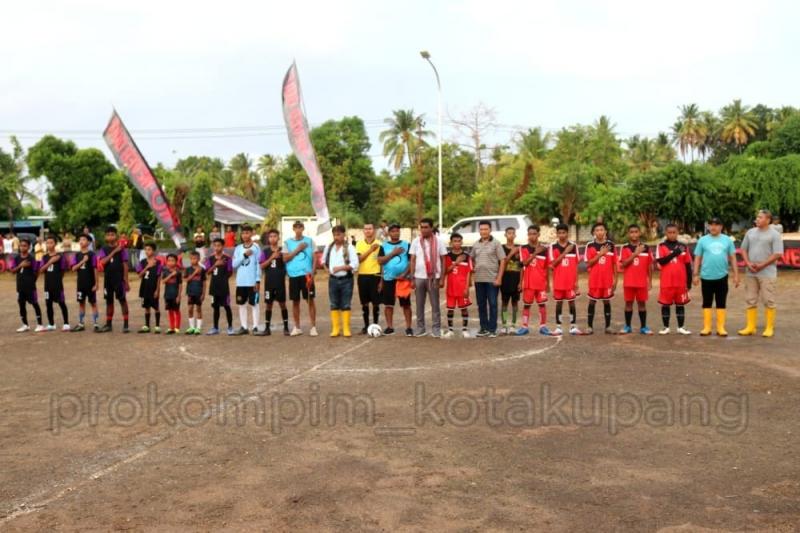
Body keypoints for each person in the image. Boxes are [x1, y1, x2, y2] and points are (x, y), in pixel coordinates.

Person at [739, 209, 784, 337]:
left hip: (767, 273)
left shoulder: (775, 234)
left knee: (768, 300)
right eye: (757, 217)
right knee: (750, 299)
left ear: (768, 220)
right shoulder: (750, 232)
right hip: (751, 272)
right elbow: (743, 249)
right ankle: (750, 327)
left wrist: (762, 265)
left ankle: (769, 328)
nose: (757, 219)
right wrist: (748, 263)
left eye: (760, 217)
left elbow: (778, 253)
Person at [692, 217, 739, 336]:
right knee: (706, 302)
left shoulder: (727, 240)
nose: (713, 227)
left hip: (722, 276)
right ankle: (707, 327)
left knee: (721, 302)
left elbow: (733, 258)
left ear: (721, 227)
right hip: (706, 276)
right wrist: (695, 274)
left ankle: (720, 327)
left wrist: (736, 275)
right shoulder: (702, 240)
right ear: (708, 226)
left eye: (716, 225)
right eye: (711, 224)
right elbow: (697, 257)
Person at [409, 218, 449, 337]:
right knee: (419, 304)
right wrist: (412, 278)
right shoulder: (416, 241)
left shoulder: (439, 241)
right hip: (419, 277)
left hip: (434, 277)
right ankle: (420, 328)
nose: (424, 230)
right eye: (422, 227)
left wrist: (442, 278)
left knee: (435, 304)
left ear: (431, 228)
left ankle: (436, 328)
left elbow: (443, 260)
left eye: (426, 227)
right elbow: (412, 260)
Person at [469, 221, 506, 338]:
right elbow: (471, 258)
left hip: (492, 279)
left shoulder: (496, 243)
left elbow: (503, 260)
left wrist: (499, 278)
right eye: (481, 229)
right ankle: (483, 328)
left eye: (486, 229)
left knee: (493, 304)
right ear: (479, 231)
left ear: (490, 230)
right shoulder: (476, 244)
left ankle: (492, 329)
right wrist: (474, 268)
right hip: (479, 279)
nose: (483, 231)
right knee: (481, 304)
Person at [517, 225, 555, 336]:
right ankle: (524, 326)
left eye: (534, 234)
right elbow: (524, 264)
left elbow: (546, 267)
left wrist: (548, 284)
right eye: (530, 234)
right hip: (529, 283)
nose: (532, 236)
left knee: (542, 304)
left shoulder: (545, 249)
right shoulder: (523, 248)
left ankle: (543, 326)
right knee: (527, 305)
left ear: (538, 234)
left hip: (541, 283)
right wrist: (535, 253)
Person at [322, 225, 360, 337]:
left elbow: (355, 264)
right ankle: (335, 328)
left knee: (346, 303)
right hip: (333, 280)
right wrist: (327, 270)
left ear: (344, 235)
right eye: (334, 235)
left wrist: (341, 268)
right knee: (333, 303)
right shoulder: (329, 247)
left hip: (346, 279)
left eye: (338, 234)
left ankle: (346, 328)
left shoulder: (350, 248)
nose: (336, 237)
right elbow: (323, 261)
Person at [656, 223, 693, 335]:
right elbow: (661, 261)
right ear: (666, 233)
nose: (672, 234)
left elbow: (688, 265)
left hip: (680, 283)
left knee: (680, 305)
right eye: (669, 232)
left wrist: (689, 282)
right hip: (666, 282)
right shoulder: (661, 246)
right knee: (665, 305)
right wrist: (675, 253)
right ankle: (666, 327)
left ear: (677, 233)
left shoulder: (683, 247)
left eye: (674, 232)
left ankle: (681, 327)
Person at [283, 221, 317, 336]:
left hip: (307, 275)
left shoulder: (310, 241)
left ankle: (313, 327)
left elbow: (315, 257)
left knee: (310, 300)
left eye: (300, 227)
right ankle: (297, 327)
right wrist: (298, 249)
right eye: (296, 227)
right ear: (293, 229)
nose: (298, 229)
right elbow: (285, 259)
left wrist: (313, 272)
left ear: (303, 228)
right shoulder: (287, 242)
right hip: (293, 276)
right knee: (295, 301)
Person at [378, 223, 413, 336]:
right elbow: (380, 261)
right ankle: (390, 327)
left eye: (397, 231)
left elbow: (411, 261)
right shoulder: (384, 246)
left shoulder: (406, 245)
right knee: (388, 304)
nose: (395, 233)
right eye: (393, 231)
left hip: (403, 280)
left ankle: (408, 327)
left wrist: (404, 274)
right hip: (389, 279)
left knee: (406, 304)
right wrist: (393, 253)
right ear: (389, 233)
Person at [618, 224, 654, 335]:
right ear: (628, 234)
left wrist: (650, 281)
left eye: (636, 232)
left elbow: (649, 266)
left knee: (642, 304)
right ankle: (627, 326)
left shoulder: (646, 248)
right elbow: (623, 264)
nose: (634, 234)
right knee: (628, 304)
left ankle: (643, 327)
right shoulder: (625, 248)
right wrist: (635, 254)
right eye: (631, 232)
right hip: (629, 282)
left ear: (639, 233)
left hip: (642, 282)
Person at [583, 222, 618, 335]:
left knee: (606, 301)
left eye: (601, 230)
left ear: (605, 231)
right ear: (594, 232)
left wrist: (616, 280)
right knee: (592, 301)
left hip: (607, 280)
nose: (599, 232)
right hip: (595, 280)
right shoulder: (590, 245)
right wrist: (601, 254)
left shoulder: (611, 245)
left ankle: (608, 327)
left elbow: (614, 264)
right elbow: (588, 264)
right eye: (597, 230)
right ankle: (589, 327)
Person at [96, 226, 130, 333]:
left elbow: (125, 265)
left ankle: (126, 325)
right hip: (108, 280)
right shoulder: (103, 249)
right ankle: (108, 324)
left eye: (112, 234)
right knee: (109, 301)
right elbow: (103, 262)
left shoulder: (122, 249)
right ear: (105, 237)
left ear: (116, 236)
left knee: (122, 300)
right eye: (108, 235)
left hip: (119, 279)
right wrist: (115, 251)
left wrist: (126, 280)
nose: (110, 236)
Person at [549, 223, 581, 335]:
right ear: (557, 234)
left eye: (564, 232)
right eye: (559, 233)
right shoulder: (552, 246)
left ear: (568, 233)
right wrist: (565, 252)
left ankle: (573, 326)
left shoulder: (574, 246)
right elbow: (553, 264)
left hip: (570, 282)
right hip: (558, 281)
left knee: (572, 303)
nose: (562, 235)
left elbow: (576, 266)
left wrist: (576, 282)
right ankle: (558, 327)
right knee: (559, 304)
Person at [259, 229, 290, 336]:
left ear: (278, 238)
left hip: (280, 282)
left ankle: (286, 328)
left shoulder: (283, 251)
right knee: (269, 304)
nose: (273, 238)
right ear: (268, 238)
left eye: (275, 236)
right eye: (271, 236)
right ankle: (267, 328)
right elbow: (261, 266)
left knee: (282, 304)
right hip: (269, 283)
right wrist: (271, 257)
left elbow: (287, 263)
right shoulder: (265, 251)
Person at [232, 224, 262, 335]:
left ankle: (255, 327)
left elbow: (258, 264)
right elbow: (234, 264)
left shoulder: (256, 247)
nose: (245, 235)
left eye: (247, 233)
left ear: (251, 233)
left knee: (254, 304)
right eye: (243, 233)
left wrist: (257, 280)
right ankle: (244, 327)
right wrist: (244, 255)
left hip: (252, 281)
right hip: (241, 281)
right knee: (242, 304)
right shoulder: (238, 248)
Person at [9, 238, 44, 332]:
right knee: (21, 304)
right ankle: (25, 325)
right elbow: (12, 271)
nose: (22, 247)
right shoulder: (16, 258)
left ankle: (40, 324)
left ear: (28, 247)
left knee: (35, 304)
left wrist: (32, 281)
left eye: (24, 246)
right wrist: (20, 265)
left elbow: (37, 271)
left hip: (30, 286)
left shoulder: (31, 258)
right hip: (20, 286)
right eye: (21, 245)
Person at [442, 233, 473, 338]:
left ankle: (465, 330)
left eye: (459, 241)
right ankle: (450, 330)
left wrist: (467, 288)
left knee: (464, 308)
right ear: (451, 243)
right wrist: (456, 262)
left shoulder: (467, 256)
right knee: (450, 309)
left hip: (462, 288)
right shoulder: (447, 256)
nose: (457, 243)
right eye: (455, 241)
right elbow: (446, 271)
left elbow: (469, 272)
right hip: (451, 287)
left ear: (462, 242)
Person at [39, 233, 70, 331]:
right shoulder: (44, 257)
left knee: (61, 303)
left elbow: (63, 270)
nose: (49, 245)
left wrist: (57, 279)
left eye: (51, 242)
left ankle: (66, 323)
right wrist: (50, 262)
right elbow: (41, 270)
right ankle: (51, 324)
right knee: (48, 304)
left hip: (57, 285)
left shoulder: (60, 256)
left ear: (55, 244)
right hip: (47, 285)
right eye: (47, 243)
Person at [355, 223, 382, 334]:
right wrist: (371, 250)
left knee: (376, 303)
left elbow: (382, 262)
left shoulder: (380, 244)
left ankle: (375, 325)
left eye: (370, 228)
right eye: (365, 229)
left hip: (375, 275)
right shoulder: (359, 244)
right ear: (363, 231)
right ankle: (366, 326)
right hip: (362, 275)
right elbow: (359, 259)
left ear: (374, 230)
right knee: (364, 303)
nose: (368, 231)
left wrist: (381, 279)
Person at [205, 238, 234, 335]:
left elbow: (230, 272)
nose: (217, 248)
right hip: (214, 287)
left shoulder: (227, 258)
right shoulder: (210, 258)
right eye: (215, 246)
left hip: (224, 287)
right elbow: (207, 272)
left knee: (227, 306)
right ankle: (215, 328)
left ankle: (230, 327)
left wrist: (223, 279)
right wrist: (215, 265)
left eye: (219, 245)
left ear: (223, 246)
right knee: (215, 307)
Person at [71, 234, 99, 332]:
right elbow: (73, 268)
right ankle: (81, 323)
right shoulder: (77, 255)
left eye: (83, 239)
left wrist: (97, 283)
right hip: (81, 284)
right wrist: (82, 261)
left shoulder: (92, 254)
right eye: (80, 239)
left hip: (90, 284)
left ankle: (96, 324)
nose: (81, 241)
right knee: (81, 303)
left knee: (93, 303)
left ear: (89, 242)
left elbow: (95, 269)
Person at [499, 227, 522, 334]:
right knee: (504, 302)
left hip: (516, 279)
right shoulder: (501, 248)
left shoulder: (520, 248)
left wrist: (521, 282)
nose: (511, 235)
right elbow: (502, 263)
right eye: (509, 233)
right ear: (505, 235)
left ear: (515, 235)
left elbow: (522, 267)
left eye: (513, 233)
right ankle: (504, 325)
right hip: (505, 279)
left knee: (515, 303)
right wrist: (511, 253)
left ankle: (513, 325)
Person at [136, 242, 162, 334]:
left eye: (149, 249)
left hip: (153, 288)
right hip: (144, 288)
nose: (147, 251)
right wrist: (147, 266)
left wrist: (157, 290)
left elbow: (159, 277)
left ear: (153, 251)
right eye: (146, 250)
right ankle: (147, 326)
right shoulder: (142, 262)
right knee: (146, 307)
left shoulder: (158, 263)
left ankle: (157, 326)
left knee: (156, 307)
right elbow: (139, 275)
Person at [184, 251, 206, 335]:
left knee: (198, 309)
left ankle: (198, 328)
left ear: (199, 259)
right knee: (190, 309)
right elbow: (186, 280)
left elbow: (204, 282)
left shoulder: (202, 269)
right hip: (190, 292)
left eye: (195, 258)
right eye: (191, 259)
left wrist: (203, 294)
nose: (193, 260)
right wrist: (195, 273)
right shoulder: (188, 269)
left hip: (198, 292)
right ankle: (192, 327)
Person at [162, 254, 182, 334]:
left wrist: (179, 296)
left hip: (175, 295)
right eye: (169, 260)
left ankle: (177, 327)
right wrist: (171, 275)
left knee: (176, 310)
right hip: (167, 295)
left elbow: (180, 284)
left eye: (172, 260)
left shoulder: (178, 272)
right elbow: (163, 281)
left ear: (176, 262)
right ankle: (171, 327)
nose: (170, 262)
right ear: (166, 262)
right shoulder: (165, 271)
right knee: (170, 311)